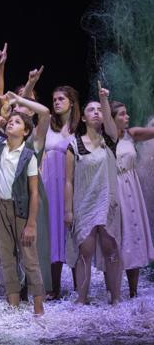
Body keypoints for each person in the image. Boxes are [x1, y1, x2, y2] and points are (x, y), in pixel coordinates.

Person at [65, 85, 121, 305]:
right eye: (91, 110)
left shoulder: (110, 139)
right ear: (84, 118)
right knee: (84, 251)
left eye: (100, 109)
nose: (96, 112)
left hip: (107, 203)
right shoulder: (74, 145)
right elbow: (68, 180)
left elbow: (109, 123)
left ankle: (115, 297)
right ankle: (82, 298)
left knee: (111, 249)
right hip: (84, 203)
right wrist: (68, 210)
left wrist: (103, 99)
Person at [0, 111, 44, 315]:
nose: (11, 124)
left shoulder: (28, 156)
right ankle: (13, 305)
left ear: (26, 131)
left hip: (21, 210)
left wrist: (31, 223)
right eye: (10, 121)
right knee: (7, 258)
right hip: (0, 207)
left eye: (17, 122)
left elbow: (34, 192)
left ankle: (38, 307)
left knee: (29, 257)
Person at [111, 101, 154, 298]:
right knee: (114, 235)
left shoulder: (131, 134)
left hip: (131, 187)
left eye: (126, 113)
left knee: (133, 231)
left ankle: (134, 291)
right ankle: (113, 290)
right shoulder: (103, 139)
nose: (126, 117)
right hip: (112, 187)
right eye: (121, 114)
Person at [42, 86, 80, 299]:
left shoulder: (80, 129)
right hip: (50, 186)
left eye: (61, 99)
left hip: (73, 185)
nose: (56, 102)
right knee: (52, 234)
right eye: (54, 99)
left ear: (71, 102)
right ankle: (53, 287)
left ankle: (78, 288)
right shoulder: (48, 125)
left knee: (73, 234)